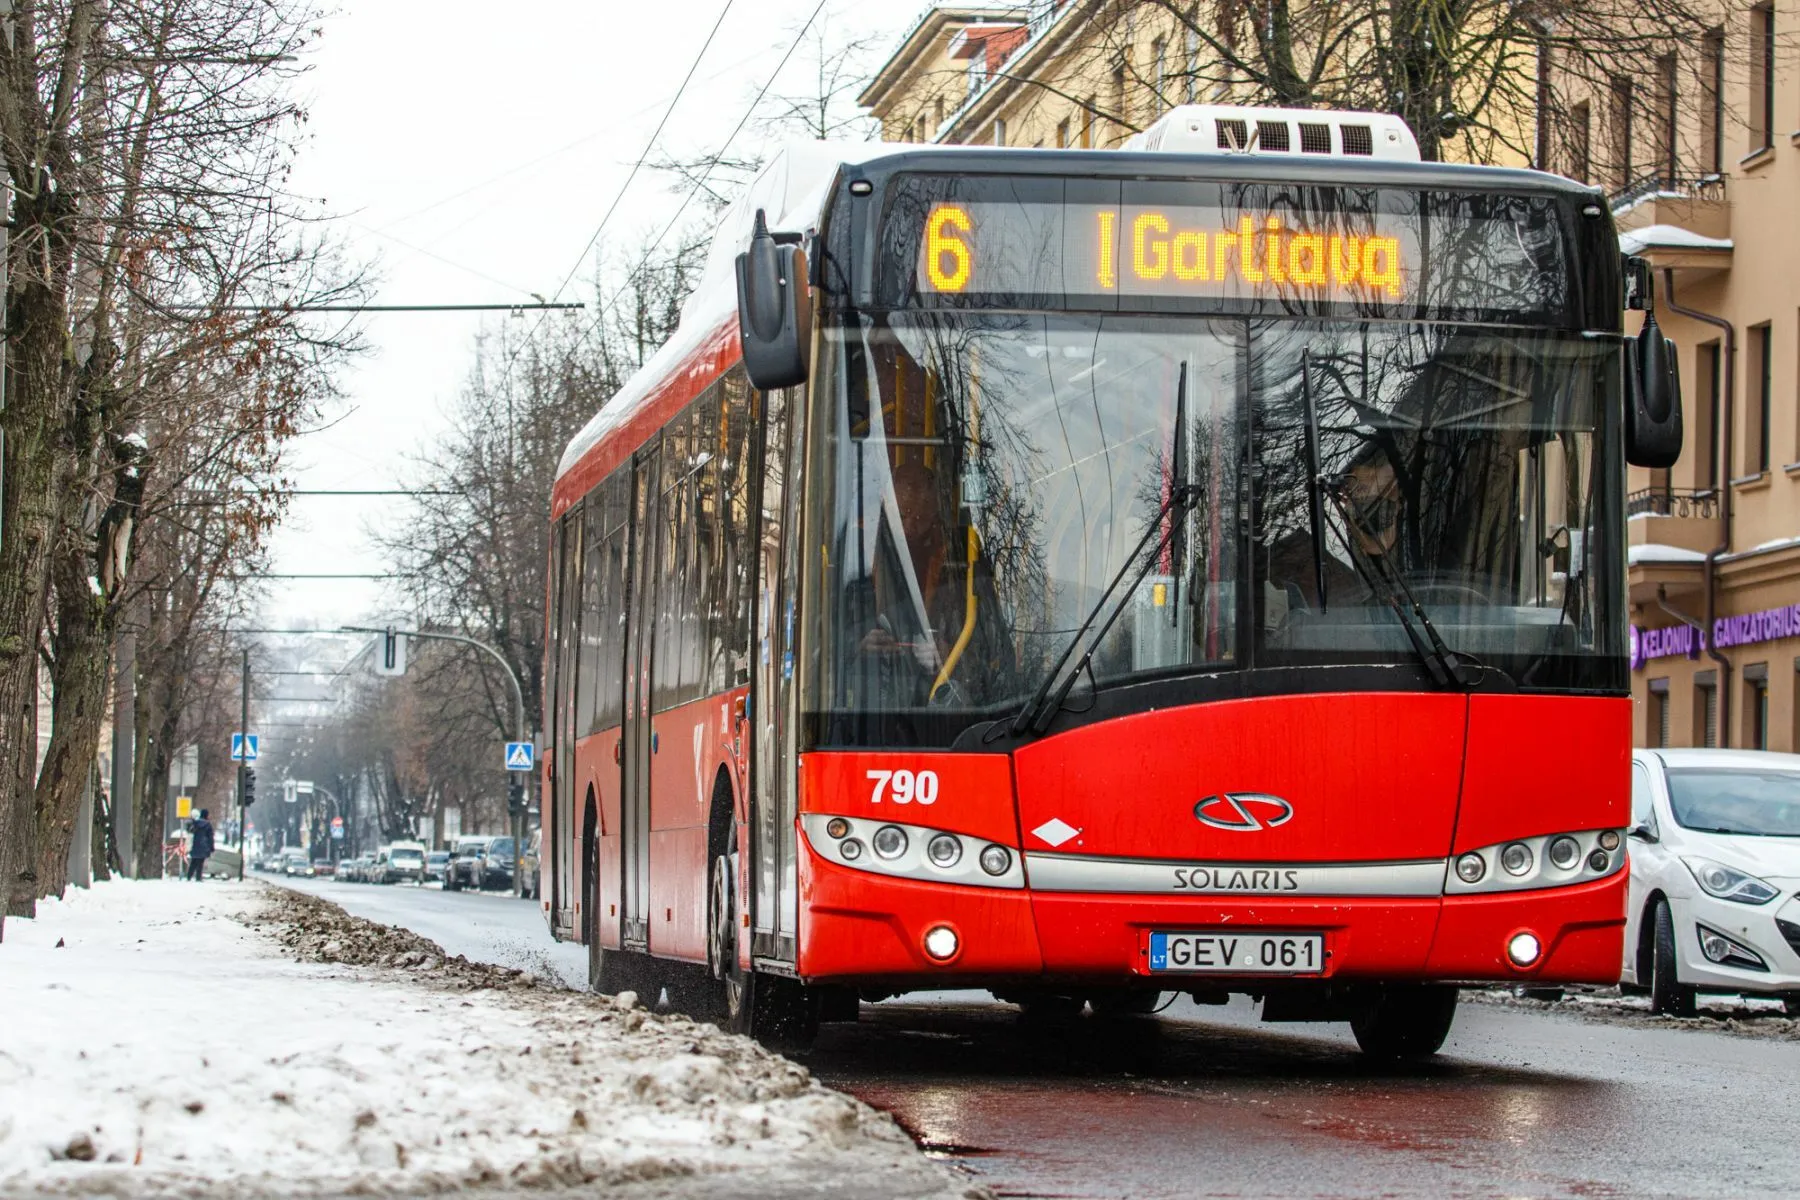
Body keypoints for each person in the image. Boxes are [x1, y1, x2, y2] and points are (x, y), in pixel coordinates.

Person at [186, 809, 215, 881]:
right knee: (200, 863)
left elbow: (190, 832)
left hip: (195, 845)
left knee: (193, 862)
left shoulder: (195, 823)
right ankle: (198, 878)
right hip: (204, 846)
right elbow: (210, 837)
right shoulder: (208, 825)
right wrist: (211, 847)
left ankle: (189, 876)